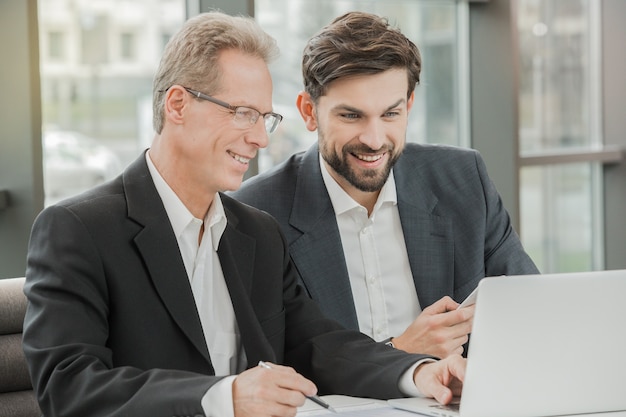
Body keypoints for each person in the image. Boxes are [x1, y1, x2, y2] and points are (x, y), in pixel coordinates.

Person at [22, 11, 466, 417]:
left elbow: (319, 345)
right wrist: (224, 396)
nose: (260, 139)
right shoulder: (78, 230)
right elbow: (68, 387)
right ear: (177, 105)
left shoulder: (255, 231)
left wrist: (419, 373)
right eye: (242, 113)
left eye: (265, 118)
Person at [231, 11, 539, 359]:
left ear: (408, 106)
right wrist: (399, 353)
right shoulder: (257, 211)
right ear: (309, 112)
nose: (374, 140)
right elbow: (266, 365)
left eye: (390, 114)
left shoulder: (464, 179)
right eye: (351, 115)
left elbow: (530, 309)